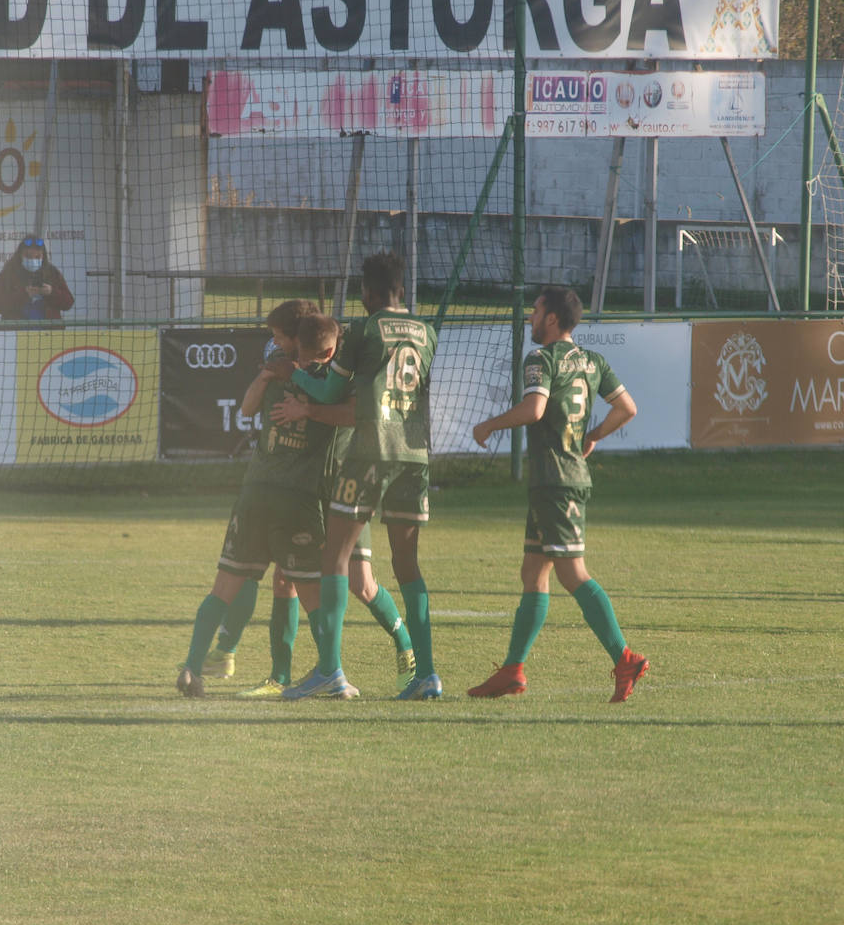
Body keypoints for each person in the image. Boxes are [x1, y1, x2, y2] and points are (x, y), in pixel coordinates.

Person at [466, 286, 647, 703]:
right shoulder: (593, 360)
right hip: (560, 478)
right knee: (534, 573)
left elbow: (534, 409)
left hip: (556, 479)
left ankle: (625, 658)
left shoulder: (541, 358)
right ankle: (513, 670)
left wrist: (488, 426)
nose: (530, 318)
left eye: (535, 311)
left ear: (551, 319)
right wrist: (594, 436)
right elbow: (628, 408)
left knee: (571, 573)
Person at [274, 251, 440, 700]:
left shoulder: (365, 329)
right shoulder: (428, 332)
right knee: (407, 565)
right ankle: (427, 674)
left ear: (367, 293)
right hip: (415, 455)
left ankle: (329, 670)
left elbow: (331, 388)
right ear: (401, 290)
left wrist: (297, 377)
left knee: (335, 557)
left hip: (371, 449)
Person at [176, 300, 340, 698]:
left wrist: (275, 377)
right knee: (312, 593)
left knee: (225, 586)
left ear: (295, 339)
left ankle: (193, 667)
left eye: (278, 337)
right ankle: (330, 672)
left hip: (257, 493)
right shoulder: (327, 378)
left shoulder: (297, 375)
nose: (273, 343)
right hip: (295, 499)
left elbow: (249, 407)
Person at [0, 236, 74, 322]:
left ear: (43, 257)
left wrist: (51, 292)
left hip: (49, 331)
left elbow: (68, 303)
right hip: (16, 331)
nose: (33, 260)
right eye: (28, 256)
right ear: (20, 256)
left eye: (37, 257)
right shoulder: (9, 273)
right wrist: (24, 294)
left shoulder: (52, 273)